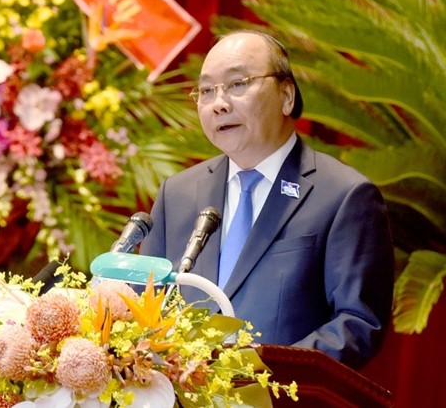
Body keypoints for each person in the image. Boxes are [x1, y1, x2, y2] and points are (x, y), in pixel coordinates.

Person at [139, 30, 394, 369]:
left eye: (237, 84)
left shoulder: (344, 197)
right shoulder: (179, 194)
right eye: (206, 91)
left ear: (287, 96)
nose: (219, 103)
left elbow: (356, 324)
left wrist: (255, 374)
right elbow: (143, 302)